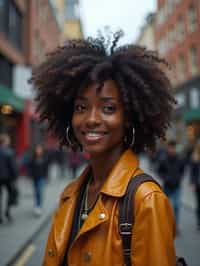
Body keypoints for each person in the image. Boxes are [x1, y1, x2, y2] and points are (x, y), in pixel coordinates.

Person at [31, 31, 177, 265]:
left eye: (108, 108)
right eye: (81, 107)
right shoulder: (70, 194)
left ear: (128, 117)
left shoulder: (146, 200)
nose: (91, 119)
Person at [156, 140, 185, 234]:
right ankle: (165, 225)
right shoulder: (163, 159)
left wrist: (179, 177)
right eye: (170, 148)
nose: (172, 150)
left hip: (177, 186)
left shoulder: (180, 159)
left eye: (173, 148)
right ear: (168, 148)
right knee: (165, 207)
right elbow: (159, 171)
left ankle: (174, 226)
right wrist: (165, 178)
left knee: (176, 206)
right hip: (167, 186)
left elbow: (183, 170)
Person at [0, 134, 18, 223]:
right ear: (5, 142)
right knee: (10, 194)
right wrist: (15, 177)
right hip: (7, 178)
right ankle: (7, 212)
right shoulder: (9, 152)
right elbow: (13, 167)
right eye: (8, 140)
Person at [28, 144, 49, 216]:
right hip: (35, 178)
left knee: (40, 191)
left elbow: (46, 169)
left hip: (41, 178)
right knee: (36, 192)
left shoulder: (44, 158)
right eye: (37, 149)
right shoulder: (32, 159)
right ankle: (37, 205)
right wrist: (30, 175)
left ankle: (38, 206)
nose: (39, 151)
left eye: (40, 149)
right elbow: (30, 168)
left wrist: (47, 177)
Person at [189, 141, 200, 231]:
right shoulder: (195, 158)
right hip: (198, 184)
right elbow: (192, 172)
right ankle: (198, 222)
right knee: (198, 204)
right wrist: (192, 182)